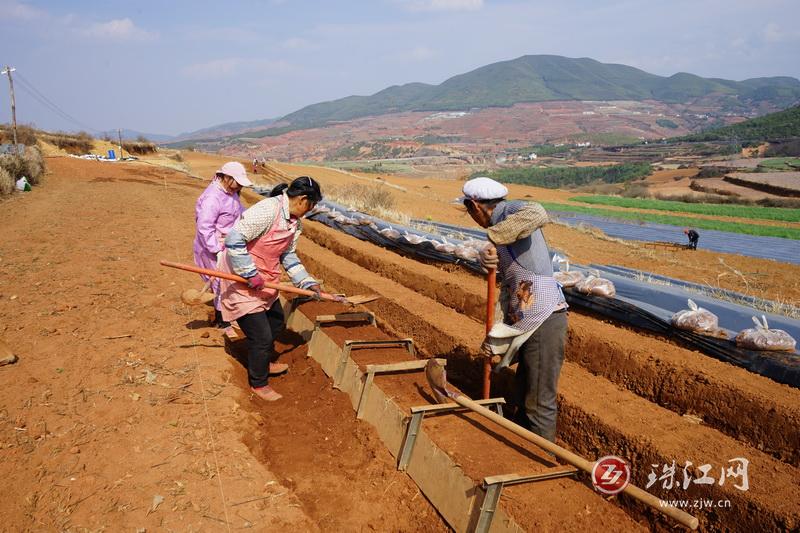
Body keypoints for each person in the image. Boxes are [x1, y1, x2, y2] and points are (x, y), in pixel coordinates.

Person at [462, 177, 568, 442]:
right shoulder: (503, 226)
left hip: (545, 318)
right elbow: (510, 288)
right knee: (522, 393)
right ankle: (520, 450)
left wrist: (492, 238)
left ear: (475, 205)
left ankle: (542, 461)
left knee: (539, 403)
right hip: (528, 319)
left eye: (469, 211)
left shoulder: (506, 212)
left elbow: (538, 212)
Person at [219, 176, 327, 402]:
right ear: (303, 199)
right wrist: (249, 273)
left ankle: (262, 359)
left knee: (276, 320)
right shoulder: (268, 210)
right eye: (312, 205)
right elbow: (234, 239)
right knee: (261, 336)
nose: (310, 210)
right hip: (240, 277)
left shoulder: (295, 222)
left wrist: (306, 281)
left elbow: (288, 255)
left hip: (265, 278)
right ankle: (258, 383)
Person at [193, 162, 251, 329]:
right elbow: (204, 227)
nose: (239, 186)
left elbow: (239, 211)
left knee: (225, 280)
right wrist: (216, 250)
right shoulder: (213, 197)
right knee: (220, 282)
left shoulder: (231, 192)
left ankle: (225, 313)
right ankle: (222, 319)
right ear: (226, 178)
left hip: (228, 243)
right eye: (237, 182)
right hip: (212, 246)